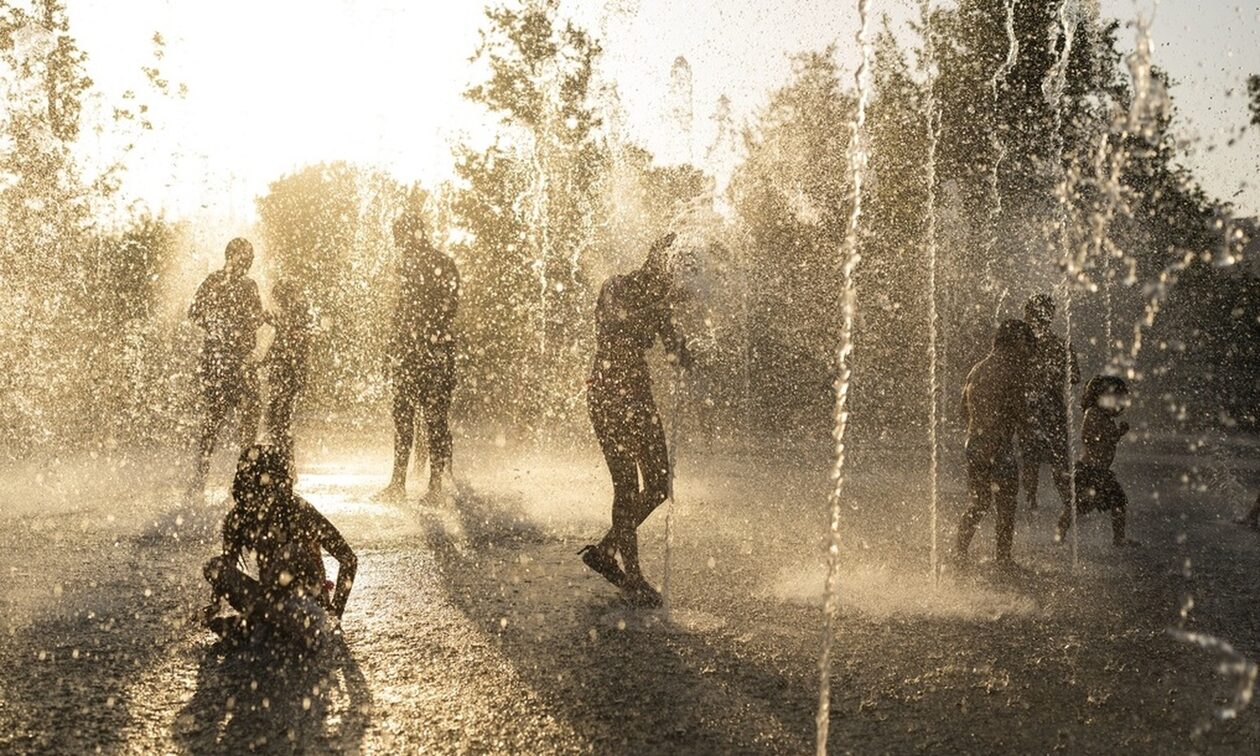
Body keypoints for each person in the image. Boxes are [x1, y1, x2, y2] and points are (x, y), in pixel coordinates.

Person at [580, 232, 692, 607]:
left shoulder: (661, 305)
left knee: (660, 485)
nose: (674, 279)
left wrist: (685, 351)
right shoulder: (616, 287)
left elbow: (675, 353)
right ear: (654, 262)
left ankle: (607, 549)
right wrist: (663, 307)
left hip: (639, 396)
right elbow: (617, 324)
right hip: (609, 394)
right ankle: (633, 577)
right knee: (626, 486)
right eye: (670, 270)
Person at [201, 445, 357, 648]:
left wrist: (335, 616)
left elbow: (348, 559)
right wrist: (214, 606)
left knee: (290, 553)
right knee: (214, 567)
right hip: (267, 604)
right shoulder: (238, 518)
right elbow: (227, 569)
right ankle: (267, 627)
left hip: (307, 606)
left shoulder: (298, 510)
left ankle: (258, 627)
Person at [375, 208, 460, 502]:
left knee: (429, 419)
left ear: (412, 235)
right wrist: (393, 346)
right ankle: (402, 482)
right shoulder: (423, 264)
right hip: (422, 352)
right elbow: (404, 311)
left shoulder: (439, 264)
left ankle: (432, 485)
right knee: (412, 417)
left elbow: (447, 309)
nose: (399, 245)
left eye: (400, 238)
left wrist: (419, 333)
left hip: (429, 352)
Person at [954, 319, 1036, 570]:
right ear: (1015, 343)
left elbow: (962, 411)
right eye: (1025, 344)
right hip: (998, 446)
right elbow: (1020, 413)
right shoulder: (1012, 370)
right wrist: (1029, 428)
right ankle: (1003, 558)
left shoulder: (977, 368)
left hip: (975, 443)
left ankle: (959, 552)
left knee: (978, 502)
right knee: (1006, 503)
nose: (1027, 351)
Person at [188, 238, 265, 495]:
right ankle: (201, 479)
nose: (250, 261)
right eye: (246, 257)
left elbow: (255, 319)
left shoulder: (248, 285)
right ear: (231, 256)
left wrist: (250, 322)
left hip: (240, 361)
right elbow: (195, 313)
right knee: (215, 419)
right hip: (220, 361)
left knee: (248, 415)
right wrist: (222, 328)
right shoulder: (214, 281)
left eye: (252, 257)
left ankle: (243, 479)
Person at [1057, 375, 1138, 546]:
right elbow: (1088, 436)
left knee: (1118, 500)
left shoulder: (1104, 416)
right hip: (1089, 470)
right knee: (1077, 506)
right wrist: (1115, 434)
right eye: (1114, 397)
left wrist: (1116, 434)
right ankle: (1059, 534)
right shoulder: (1092, 413)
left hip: (1100, 471)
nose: (1117, 402)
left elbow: (1106, 438)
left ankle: (1119, 538)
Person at [1019, 294, 1080, 510]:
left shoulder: (1022, 348)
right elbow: (1075, 377)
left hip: (1031, 409)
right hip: (1053, 408)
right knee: (1058, 456)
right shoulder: (1061, 345)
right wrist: (1054, 373)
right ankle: (1067, 500)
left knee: (1031, 457)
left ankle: (1031, 500)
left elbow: (1015, 375)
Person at [263, 279, 313, 467]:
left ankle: (287, 467)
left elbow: (288, 343)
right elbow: (282, 342)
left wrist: (277, 322)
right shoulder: (295, 314)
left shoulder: (296, 314)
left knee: (279, 420)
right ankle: (286, 465)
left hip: (287, 373)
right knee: (278, 420)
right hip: (287, 373)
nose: (277, 303)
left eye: (278, 299)